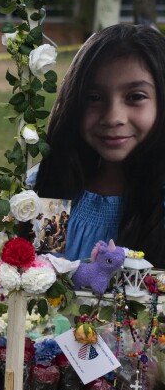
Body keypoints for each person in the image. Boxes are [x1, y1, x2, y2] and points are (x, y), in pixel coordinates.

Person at [33, 24, 165, 266]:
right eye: (94, 98)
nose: (113, 117)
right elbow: (42, 273)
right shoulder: (55, 184)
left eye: (135, 96)